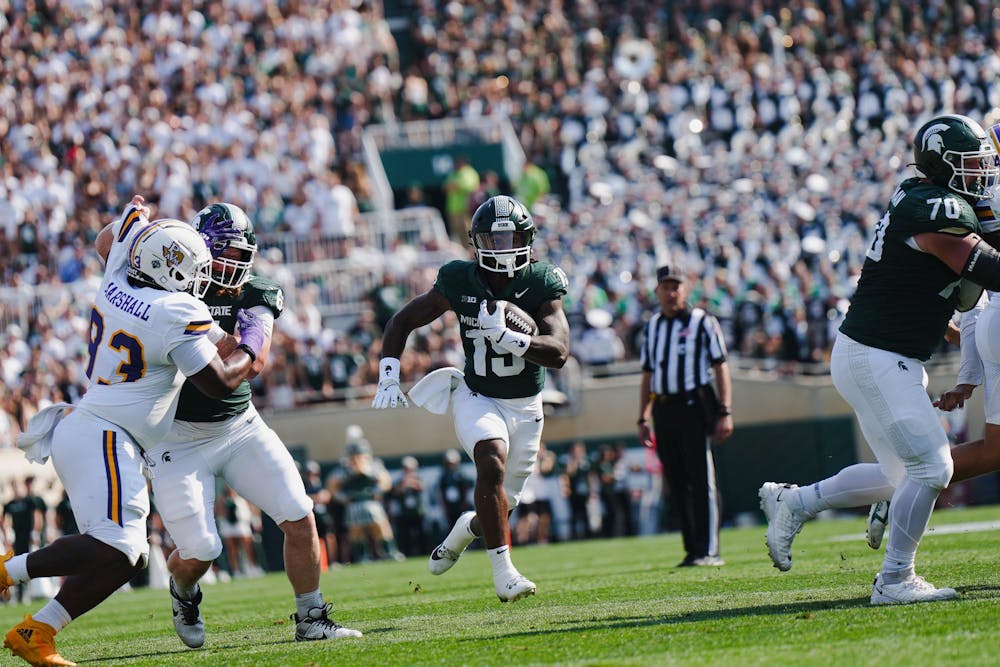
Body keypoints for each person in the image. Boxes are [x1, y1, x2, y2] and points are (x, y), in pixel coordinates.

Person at [2, 197, 262, 667]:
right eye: (194, 270)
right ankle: (7, 572)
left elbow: (110, 239)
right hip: (106, 433)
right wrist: (251, 341)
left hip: (97, 428)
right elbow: (221, 381)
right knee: (121, 547)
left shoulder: (119, 272)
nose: (201, 281)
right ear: (171, 271)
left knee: (127, 555)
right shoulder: (173, 310)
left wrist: (136, 218)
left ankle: (35, 630)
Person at [759, 114, 1000, 605]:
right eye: (970, 165)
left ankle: (793, 501)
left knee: (900, 478)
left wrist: (953, 336)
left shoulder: (922, 200)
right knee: (932, 470)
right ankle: (894, 580)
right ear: (941, 164)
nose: (981, 175)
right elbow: (984, 268)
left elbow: (941, 291)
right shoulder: (935, 207)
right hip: (878, 357)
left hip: (875, 355)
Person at [141, 202, 361, 648]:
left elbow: (255, 359)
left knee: (299, 514)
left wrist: (213, 338)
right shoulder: (165, 290)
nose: (230, 264)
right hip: (175, 438)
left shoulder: (254, 292)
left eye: (237, 254)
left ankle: (312, 617)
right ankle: (183, 589)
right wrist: (216, 338)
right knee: (202, 550)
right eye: (220, 252)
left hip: (239, 426)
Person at [372, 194, 570, 602]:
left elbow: (560, 352)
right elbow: (403, 319)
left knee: (503, 503)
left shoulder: (541, 281)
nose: (501, 249)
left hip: (526, 407)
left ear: (527, 239)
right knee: (490, 456)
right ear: (476, 243)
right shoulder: (459, 279)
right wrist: (388, 374)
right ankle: (504, 574)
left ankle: (466, 530)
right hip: (475, 394)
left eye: (509, 238)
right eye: (492, 240)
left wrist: (513, 339)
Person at [638, 266, 734, 566]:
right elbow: (648, 373)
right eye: (665, 287)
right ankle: (692, 548)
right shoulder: (652, 325)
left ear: (686, 289)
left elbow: (721, 366)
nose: (671, 292)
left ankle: (709, 550)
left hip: (694, 406)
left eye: (676, 286)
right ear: (657, 291)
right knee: (676, 482)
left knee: (701, 479)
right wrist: (642, 416)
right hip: (664, 409)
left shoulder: (703, 322)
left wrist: (725, 411)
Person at [326, 432, 404, 563]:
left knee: (381, 528)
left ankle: (389, 552)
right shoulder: (343, 469)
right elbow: (332, 487)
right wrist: (344, 497)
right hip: (354, 504)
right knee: (356, 533)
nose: (356, 458)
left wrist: (376, 491)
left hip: (371, 502)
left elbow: (385, 481)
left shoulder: (374, 466)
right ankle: (361, 557)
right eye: (353, 454)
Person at [2, 477, 46, 603]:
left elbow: (37, 516)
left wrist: (35, 533)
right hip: (17, 538)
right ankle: (21, 594)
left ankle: (32, 592)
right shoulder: (10, 504)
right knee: (18, 562)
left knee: (32, 562)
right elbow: (4, 520)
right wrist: (7, 536)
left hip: (29, 537)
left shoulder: (29, 501)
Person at [392, 456, 428, 557]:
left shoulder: (419, 478)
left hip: (418, 511)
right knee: (405, 536)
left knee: (421, 534)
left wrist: (411, 482)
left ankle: (424, 553)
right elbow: (396, 493)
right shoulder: (399, 481)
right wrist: (404, 484)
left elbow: (422, 487)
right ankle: (407, 554)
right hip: (405, 513)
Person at [437, 448, 474, 529]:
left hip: (460, 507)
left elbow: (466, 489)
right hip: (450, 508)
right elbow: (441, 492)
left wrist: (464, 503)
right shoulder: (444, 476)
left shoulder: (461, 475)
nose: (450, 466)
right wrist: (444, 507)